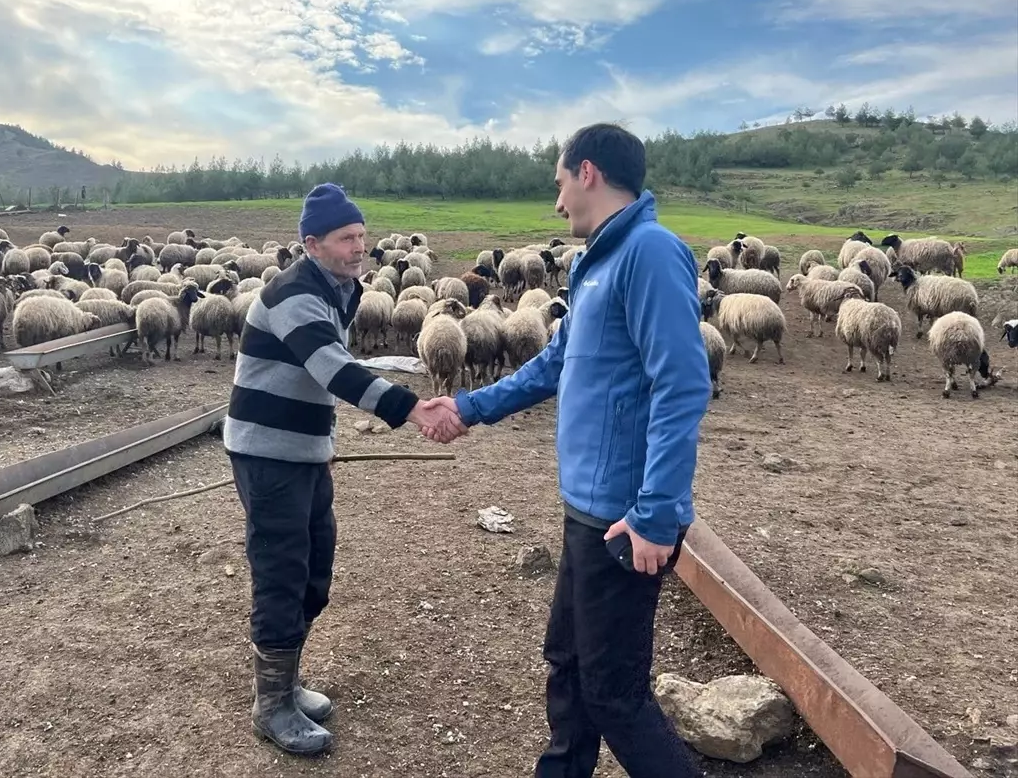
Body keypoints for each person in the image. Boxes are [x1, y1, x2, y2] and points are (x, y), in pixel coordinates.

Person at [422, 123, 711, 778]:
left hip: (625, 515)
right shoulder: (595, 264)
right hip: (587, 507)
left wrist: (656, 514)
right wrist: (468, 407)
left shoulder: (651, 253)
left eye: (558, 184)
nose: (556, 205)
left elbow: (683, 383)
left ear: (587, 173)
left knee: (616, 695)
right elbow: (556, 362)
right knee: (569, 662)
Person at [222, 182, 454, 757]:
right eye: (347, 238)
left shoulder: (337, 288)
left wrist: (321, 441)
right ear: (312, 243)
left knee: (315, 568)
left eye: (362, 236)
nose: (360, 248)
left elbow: (318, 378)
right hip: (267, 453)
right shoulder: (294, 294)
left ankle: (288, 682)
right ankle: (270, 704)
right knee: (282, 571)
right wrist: (412, 407)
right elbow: (333, 369)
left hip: (299, 451)